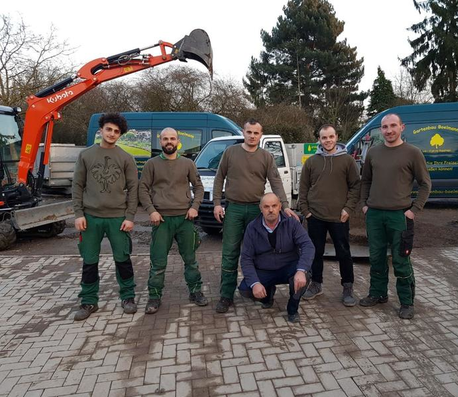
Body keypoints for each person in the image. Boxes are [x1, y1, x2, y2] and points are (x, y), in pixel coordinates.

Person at [213, 118, 299, 313]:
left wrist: (285, 206)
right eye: (249, 132)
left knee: (262, 251)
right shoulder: (230, 153)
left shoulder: (266, 157)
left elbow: (275, 182)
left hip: (256, 210)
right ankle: (226, 295)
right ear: (243, 132)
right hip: (233, 209)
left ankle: (266, 290)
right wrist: (217, 203)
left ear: (261, 135)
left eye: (256, 133)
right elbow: (219, 178)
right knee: (230, 252)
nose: (252, 136)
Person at [359, 113, 432, 320]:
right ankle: (378, 293)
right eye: (384, 127)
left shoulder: (413, 153)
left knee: (401, 260)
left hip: (400, 216)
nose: (388, 130)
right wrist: (364, 205)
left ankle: (406, 302)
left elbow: (426, 184)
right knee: (376, 257)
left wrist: (414, 209)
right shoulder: (373, 153)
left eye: (393, 126)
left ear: (402, 127)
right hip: (374, 215)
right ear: (380, 130)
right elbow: (365, 181)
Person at [72, 113, 139, 321]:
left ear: (120, 135)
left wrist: (130, 216)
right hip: (91, 217)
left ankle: (128, 297)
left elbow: (133, 189)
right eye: (109, 129)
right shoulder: (86, 155)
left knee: (123, 259)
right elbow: (77, 185)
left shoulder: (126, 158)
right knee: (90, 260)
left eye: (116, 131)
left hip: (118, 218)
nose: (112, 134)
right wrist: (78, 213)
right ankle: (89, 300)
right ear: (101, 130)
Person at [139, 128, 207, 314]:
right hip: (161, 220)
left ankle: (195, 291)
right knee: (158, 261)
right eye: (165, 139)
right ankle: (154, 296)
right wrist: (151, 211)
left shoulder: (187, 164)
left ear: (178, 141)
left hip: (185, 218)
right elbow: (142, 190)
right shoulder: (151, 164)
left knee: (190, 259)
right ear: (160, 141)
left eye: (172, 138)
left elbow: (199, 188)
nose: (169, 141)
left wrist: (195, 207)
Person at [299, 124, 361, 306]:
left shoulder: (347, 161)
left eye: (331, 137)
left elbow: (355, 186)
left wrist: (348, 209)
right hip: (315, 216)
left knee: (344, 253)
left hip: (339, 217)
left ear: (337, 137)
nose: (328, 140)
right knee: (315, 252)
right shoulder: (311, 162)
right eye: (324, 137)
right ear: (319, 139)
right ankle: (316, 284)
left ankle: (348, 287)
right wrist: (306, 211)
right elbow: (303, 188)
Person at [238, 193, 315, 323]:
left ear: (280, 206)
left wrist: (301, 270)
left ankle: (292, 308)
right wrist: (255, 283)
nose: (271, 210)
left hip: (289, 267)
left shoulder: (292, 224)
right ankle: (267, 295)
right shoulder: (252, 228)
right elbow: (246, 258)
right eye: (266, 206)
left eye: (274, 205)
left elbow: (308, 245)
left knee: (303, 278)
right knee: (246, 289)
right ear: (260, 208)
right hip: (265, 269)